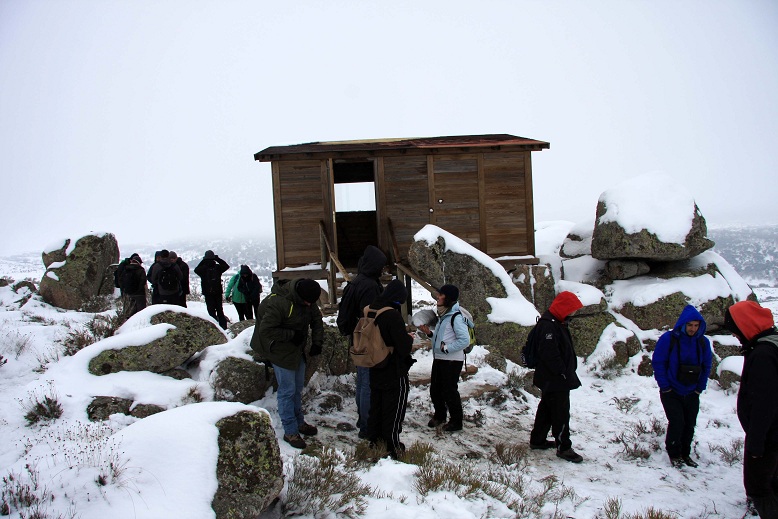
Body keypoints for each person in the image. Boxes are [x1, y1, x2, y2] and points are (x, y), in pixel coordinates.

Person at [251, 278, 324, 449]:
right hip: (279, 350)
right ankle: (290, 431)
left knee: (297, 388)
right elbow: (266, 330)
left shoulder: (308, 299)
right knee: (287, 391)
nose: (309, 305)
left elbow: (316, 320)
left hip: (296, 350)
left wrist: (317, 343)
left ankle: (299, 423)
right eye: (307, 302)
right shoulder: (278, 303)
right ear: (300, 296)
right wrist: (292, 335)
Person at [724, 300, 778, 519]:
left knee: (760, 488)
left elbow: (764, 403)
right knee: (773, 483)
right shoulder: (772, 345)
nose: (736, 337)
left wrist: (756, 443)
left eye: (736, 331)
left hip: (768, 437)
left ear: (746, 325)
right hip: (772, 434)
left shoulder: (763, 355)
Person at [651, 305, 713, 469]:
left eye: (696, 325)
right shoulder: (669, 339)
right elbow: (658, 362)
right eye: (690, 325)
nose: (693, 329)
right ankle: (674, 453)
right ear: (683, 324)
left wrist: (700, 387)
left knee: (689, 423)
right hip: (671, 390)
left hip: (692, 391)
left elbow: (707, 365)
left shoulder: (702, 342)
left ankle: (685, 453)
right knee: (677, 422)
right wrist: (665, 386)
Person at [336, 245, 387, 439]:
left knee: (362, 382)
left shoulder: (357, 282)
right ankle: (367, 426)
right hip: (367, 339)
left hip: (356, 337)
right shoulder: (370, 286)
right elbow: (371, 317)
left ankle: (363, 420)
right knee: (367, 383)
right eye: (381, 265)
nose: (382, 269)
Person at [528, 291, 584, 463]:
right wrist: (562, 372)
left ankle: (537, 440)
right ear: (563, 308)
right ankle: (564, 447)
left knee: (546, 408)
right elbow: (550, 354)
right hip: (554, 378)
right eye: (571, 309)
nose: (573, 313)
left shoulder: (555, 322)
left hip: (551, 377)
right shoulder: (549, 326)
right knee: (560, 412)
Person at [365, 279, 415, 459]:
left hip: (374, 365)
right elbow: (402, 347)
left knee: (376, 405)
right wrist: (409, 338)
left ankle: (374, 440)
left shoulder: (370, 309)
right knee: (394, 408)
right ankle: (392, 445)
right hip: (393, 369)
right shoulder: (392, 315)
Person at [418, 284, 468, 433]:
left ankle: (456, 421)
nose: (438, 297)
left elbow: (464, 340)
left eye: (441, 295)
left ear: (448, 298)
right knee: (435, 389)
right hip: (440, 359)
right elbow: (442, 339)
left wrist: (447, 349)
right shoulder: (444, 315)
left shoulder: (456, 317)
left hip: (452, 361)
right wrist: (429, 334)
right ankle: (440, 415)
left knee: (449, 391)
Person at [194, 250, 230, 329]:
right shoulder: (217, 267)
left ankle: (214, 327)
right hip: (217, 292)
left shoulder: (203, 269)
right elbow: (226, 266)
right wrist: (217, 259)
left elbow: (196, 270)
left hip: (208, 292)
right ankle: (223, 327)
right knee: (220, 311)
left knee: (211, 312)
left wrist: (203, 260)